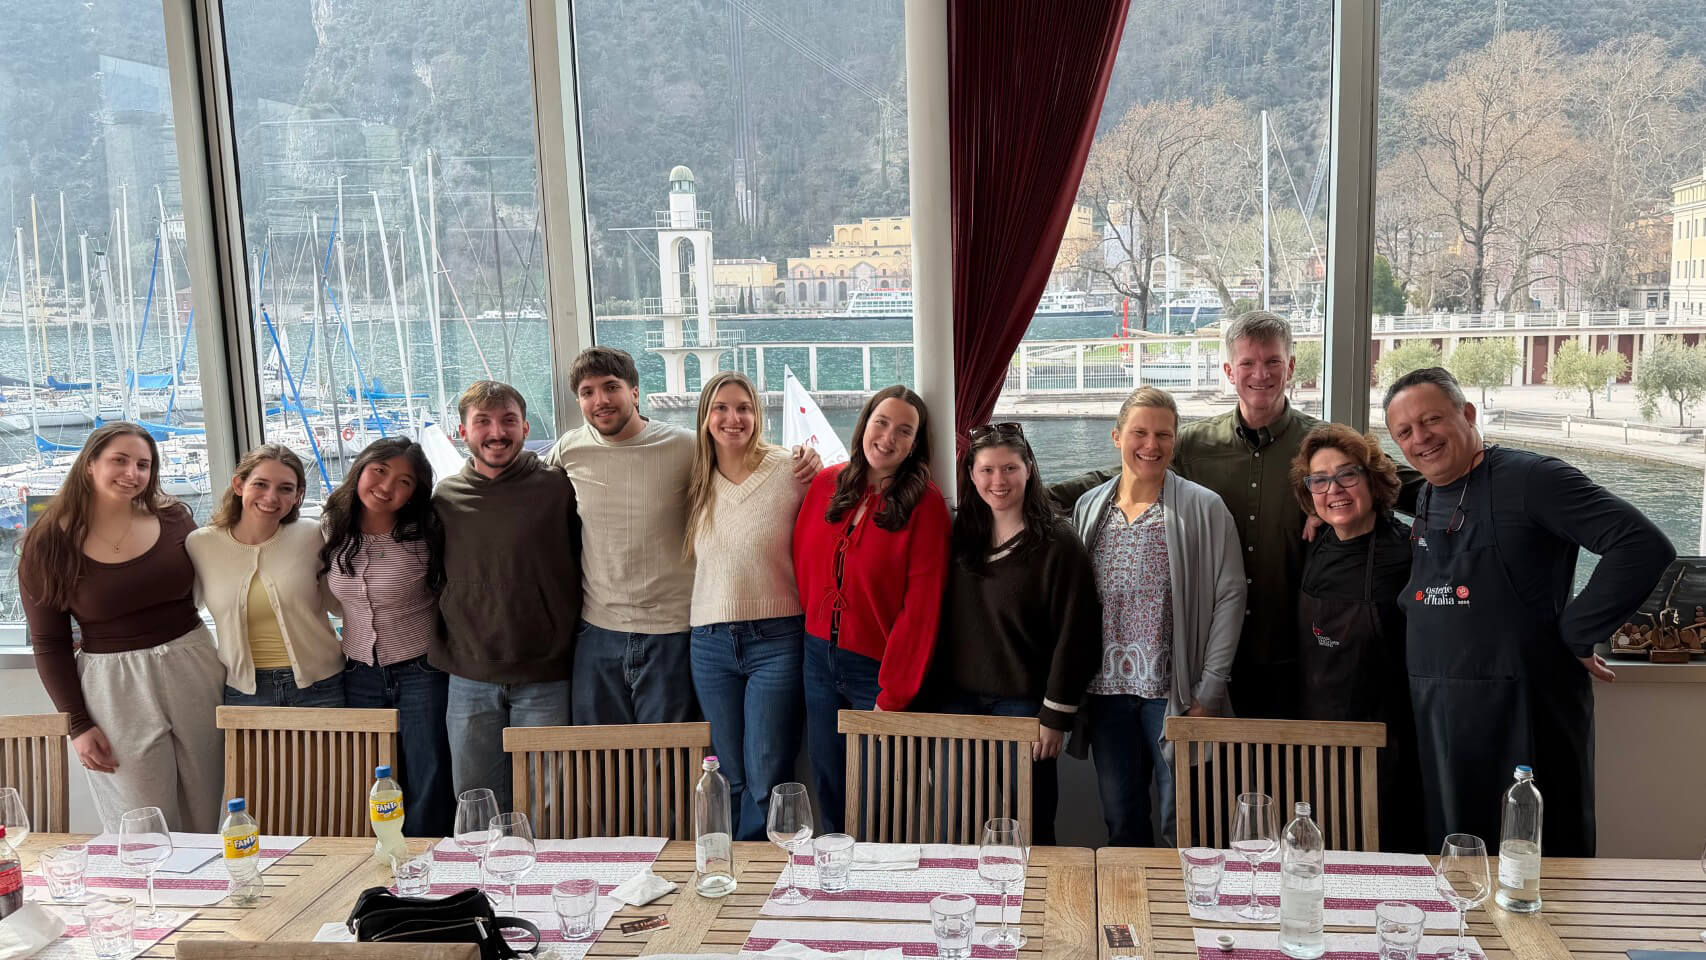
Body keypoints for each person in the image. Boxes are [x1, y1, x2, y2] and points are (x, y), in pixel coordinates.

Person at [1051, 311, 1420, 720]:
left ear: (1291, 367)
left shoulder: (1321, 447)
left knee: (1287, 775)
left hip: (1296, 650)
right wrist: (1028, 496)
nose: (1260, 374)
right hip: (1207, 653)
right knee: (1212, 778)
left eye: (1272, 362)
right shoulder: (1193, 443)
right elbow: (1120, 475)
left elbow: (1391, 480)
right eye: (1247, 363)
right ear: (1229, 370)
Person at [1384, 367, 1673, 857]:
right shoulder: (1428, 494)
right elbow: (1355, 481)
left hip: (1525, 714)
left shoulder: (1534, 478)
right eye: (1404, 432)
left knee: (1538, 864)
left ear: (1468, 414)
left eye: (1431, 420)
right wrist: (1316, 501)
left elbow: (1641, 544)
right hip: (1439, 713)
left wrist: (1579, 632)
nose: (1420, 439)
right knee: (1455, 864)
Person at [544, 347, 818, 726]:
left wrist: (805, 458)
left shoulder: (686, 446)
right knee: (601, 765)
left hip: (672, 631)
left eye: (611, 387)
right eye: (588, 392)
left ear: (635, 392)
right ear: (579, 400)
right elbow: (527, 485)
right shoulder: (570, 449)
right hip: (598, 632)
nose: (601, 400)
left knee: (668, 766)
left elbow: (747, 455)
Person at [17, 422, 223, 832]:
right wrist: (77, 724)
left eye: (144, 465)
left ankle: (212, 893)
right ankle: (155, 894)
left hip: (194, 665)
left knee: (212, 807)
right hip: (114, 685)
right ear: (90, 463)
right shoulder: (48, 544)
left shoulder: (174, 516)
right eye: (120, 460)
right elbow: (49, 642)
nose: (133, 473)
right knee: (141, 820)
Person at [1070, 387, 1245, 847]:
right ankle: (1131, 915)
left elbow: (1229, 599)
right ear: (1116, 437)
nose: (1151, 444)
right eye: (1139, 432)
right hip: (1106, 694)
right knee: (1122, 820)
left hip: (1175, 694)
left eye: (1163, 434)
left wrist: (1210, 689)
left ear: (1175, 441)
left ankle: (1183, 915)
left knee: (1182, 824)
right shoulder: (1090, 507)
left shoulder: (1204, 507)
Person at [928, 421, 1101, 845]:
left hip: (1026, 707)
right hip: (957, 704)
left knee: (1031, 824)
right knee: (957, 821)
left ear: (1029, 470)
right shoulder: (957, 536)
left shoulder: (1058, 543)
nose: (998, 481)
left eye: (1009, 469)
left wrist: (1056, 716)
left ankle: (1036, 907)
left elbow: (1077, 634)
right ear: (971, 475)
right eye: (986, 470)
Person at [793, 385, 950, 834]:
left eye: (905, 431)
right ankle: (837, 884)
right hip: (817, 659)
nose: (888, 437)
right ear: (864, 424)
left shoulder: (927, 505)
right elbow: (803, 562)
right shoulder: (826, 484)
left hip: (878, 670)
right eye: (881, 422)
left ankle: (885, 889)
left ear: (915, 444)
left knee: (885, 792)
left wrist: (894, 694)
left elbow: (921, 609)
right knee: (829, 780)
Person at [433, 380, 582, 812]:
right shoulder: (445, 498)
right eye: (483, 422)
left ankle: (544, 880)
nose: (496, 432)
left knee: (548, 804)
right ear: (462, 432)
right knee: (475, 801)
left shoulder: (558, 489)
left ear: (525, 426)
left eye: (508, 421)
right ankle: (479, 880)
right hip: (468, 675)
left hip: (546, 674)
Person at [684, 371, 809, 841]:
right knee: (727, 772)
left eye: (744, 408)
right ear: (705, 417)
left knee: (766, 771)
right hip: (710, 642)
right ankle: (730, 869)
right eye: (721, 408)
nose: (733, 418)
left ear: (759, 415)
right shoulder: (693, 477)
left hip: (777, 639)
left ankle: (765, 878)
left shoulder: (789, 470)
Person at [1288, 423, 1423, 852]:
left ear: (1372, 479)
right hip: (1318, 734)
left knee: (1383, 852)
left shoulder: (1408, 552)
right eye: (1320, 481)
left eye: (1347, 475)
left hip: (1387, 741)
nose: (1334, 490)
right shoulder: (1316, 541)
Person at [322, 436, 454, 837]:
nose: (386, 487)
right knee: (371, 773)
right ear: (361, 469)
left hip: (422, 669)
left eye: (404, 482)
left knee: (427, 771)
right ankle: (381, 858)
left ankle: (426, 860)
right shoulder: (333, 525)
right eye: (380, 471)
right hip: (358, 671)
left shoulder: (427, 534)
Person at [188, 444, 344, 708]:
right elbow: (183, 612)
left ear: (298, 496)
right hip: (245, 693)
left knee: (331, 753)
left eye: (285, 488)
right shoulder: (201, 545)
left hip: (322, 685)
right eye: (260, 484)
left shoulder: (312, 535)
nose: (271, 497)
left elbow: (341, 603)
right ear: (239, 485)